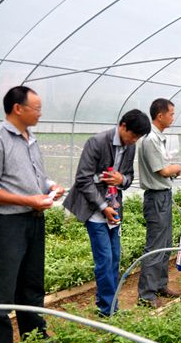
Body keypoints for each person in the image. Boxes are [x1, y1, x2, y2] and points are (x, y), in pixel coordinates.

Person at [0, 86, 65, 343]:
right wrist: (29, 200)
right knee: (1, 293)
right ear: (18, 108)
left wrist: (50, 186)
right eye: (36, 108)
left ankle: (34, 337)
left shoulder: (30, 139)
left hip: (34, 222)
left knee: (32, 285)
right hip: (7, 226)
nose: (40, 113)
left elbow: (36, 178)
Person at [63, 109, 150, 317]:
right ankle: (108, 309)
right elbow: (83, 179)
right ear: (123, 126)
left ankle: (107, 302)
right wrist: (104, 206)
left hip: (114, 208)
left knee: (114, 258)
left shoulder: (130, 148)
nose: (134, 141)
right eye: (133, 135)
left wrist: (122, 180)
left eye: (137, 138)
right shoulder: (97, 142)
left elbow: (128, 178)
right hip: (95, 210)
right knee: (104, 259)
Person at [136, 99, 181, 308]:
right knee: (155, 245)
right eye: (171, 113)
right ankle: (146, 294)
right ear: (160, 115)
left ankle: (160, 285)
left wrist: (171, 168)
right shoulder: (150, 140)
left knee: (164, 244)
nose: (173, 117)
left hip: (163, 196)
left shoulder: (158, 139)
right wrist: (175, 168)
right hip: (156, 198)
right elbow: (162, 170)